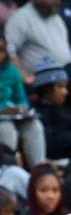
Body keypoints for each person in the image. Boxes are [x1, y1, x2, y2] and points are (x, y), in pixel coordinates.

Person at [5, 0, 71, 85]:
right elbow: (8, 50)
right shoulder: (21, 17)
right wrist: (23, 75)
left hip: (63, 80)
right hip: (41, 85)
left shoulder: (56, 18)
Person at [0, 38, 44, 169]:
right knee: (7, 129)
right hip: (3, 120)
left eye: (1, 50)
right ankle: (8, 169)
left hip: (11, 114)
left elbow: (21, 98)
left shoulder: (11, 70)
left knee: (34, 125)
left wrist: (22, 109)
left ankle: (39, 170)